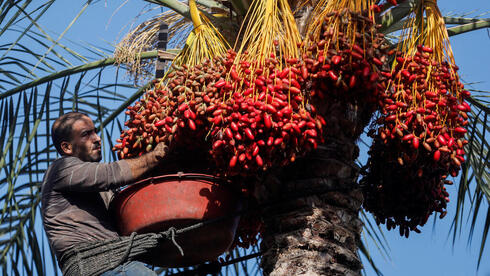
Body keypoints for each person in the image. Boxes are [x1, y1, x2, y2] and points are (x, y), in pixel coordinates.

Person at [41, 112, 168, 275]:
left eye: (95, 131)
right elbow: (111, 173)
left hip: (116, 265)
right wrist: (155, 156)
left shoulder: (102, 191)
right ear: (67, 147)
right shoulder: (61, 169)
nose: (97, 138)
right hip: (102, 269)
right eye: (86, 134)